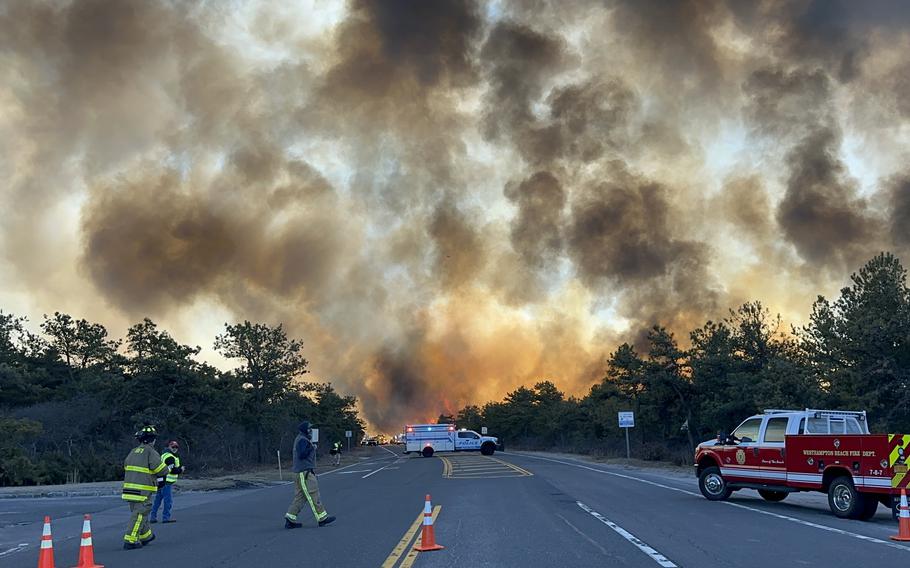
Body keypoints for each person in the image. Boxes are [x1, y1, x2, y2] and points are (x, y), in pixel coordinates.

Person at [122, 426, 169, 550]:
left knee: (139, 512)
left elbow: (126, 465)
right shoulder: (150, 451)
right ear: (152, 439)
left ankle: (146, 536)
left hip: (129, 489)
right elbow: (160, 469)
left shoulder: (133, 451)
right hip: (142, 490)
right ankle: (131, 540)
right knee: (140, 513)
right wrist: (168, 470)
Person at [285, 421, 335, 529]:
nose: (310, 431)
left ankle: (290, 519)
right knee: (314, 494)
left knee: (300, 497)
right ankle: (322, 518)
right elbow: (302, 454)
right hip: (304, 473)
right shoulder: (302, 440)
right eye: (309, 429)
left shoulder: (301, 439)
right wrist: (312, 448)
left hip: (301, 472)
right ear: (305, 430)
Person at [151, 440, 184, 524]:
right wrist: (181, 470)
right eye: (173, 447)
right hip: (167, 481)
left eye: (176, 447)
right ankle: (166, 518)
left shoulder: (164, 455)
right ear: (169, 447)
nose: (175, 448)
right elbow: (172, 470)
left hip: (161, 480)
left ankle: (152, 517)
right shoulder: (170, 457)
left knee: (158, 500)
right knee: (167, 500)